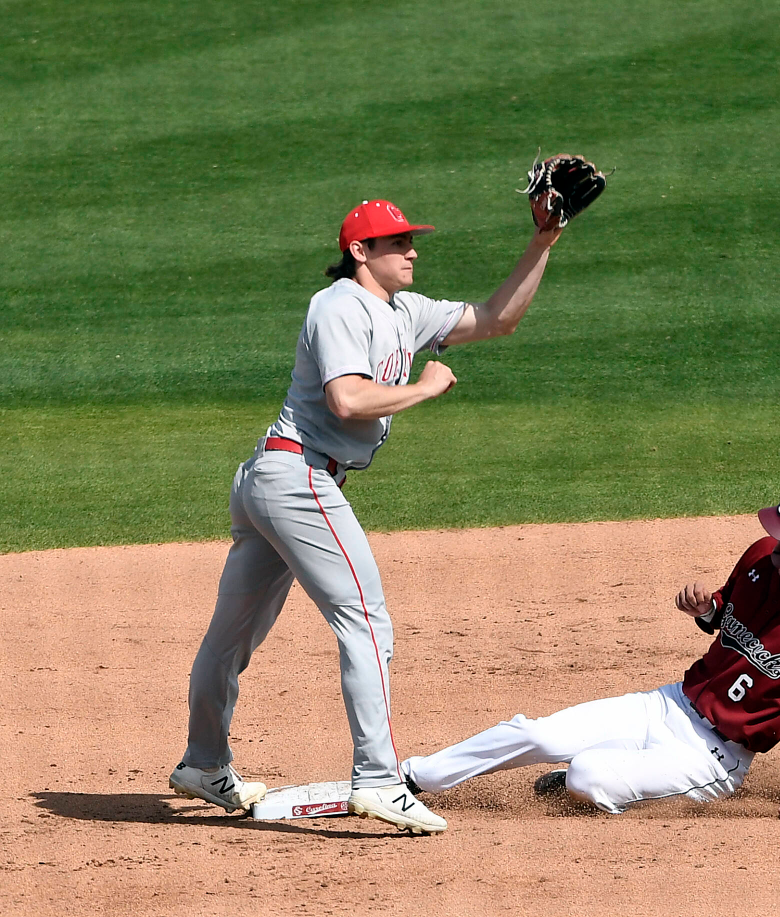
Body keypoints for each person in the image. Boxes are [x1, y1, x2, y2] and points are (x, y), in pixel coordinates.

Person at [170, 198, 564, 835]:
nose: (412, 251)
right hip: (297, 478)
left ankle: (203, 763)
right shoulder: (337, 306)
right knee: (365, 621)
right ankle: (379, 779)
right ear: (360, 252)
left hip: (278, 477)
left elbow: (497, 319)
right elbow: (347, 399)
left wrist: (544, 240)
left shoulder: (405, 311)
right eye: (396, 243)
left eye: (410, 241)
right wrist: (424, 388)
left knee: (231, 636)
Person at [401, 482, 780, 821]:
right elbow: (730, 613)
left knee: (585, 775)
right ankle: (411, 776)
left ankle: (603, 781)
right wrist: (708, 610)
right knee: (539, 735)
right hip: (668, 703)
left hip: (713, 758)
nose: (776, 541)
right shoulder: (761, 555)